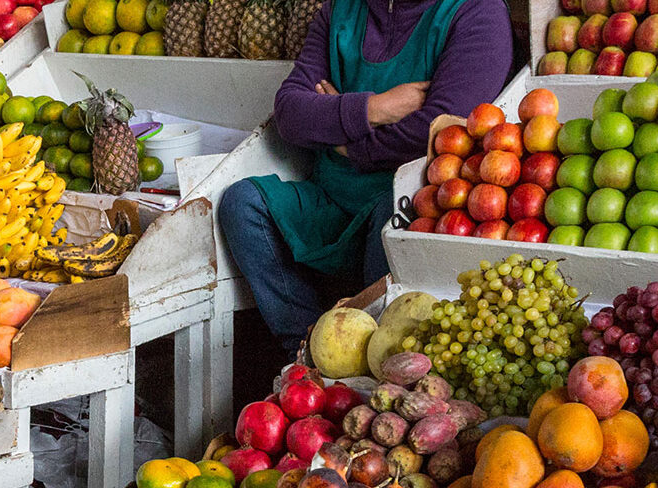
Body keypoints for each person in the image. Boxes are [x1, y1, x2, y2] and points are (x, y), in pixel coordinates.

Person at [217, 0, 513, 351]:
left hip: (406, 203)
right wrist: (378, 108)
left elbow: (437, 132)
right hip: (331, 198)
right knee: (242, 203)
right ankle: (304, 351)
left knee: (393, 213)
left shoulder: (477, 12)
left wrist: (342, 138)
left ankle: (370, 358)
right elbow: (289, 114)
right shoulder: (341, 10)